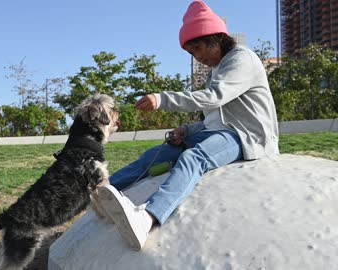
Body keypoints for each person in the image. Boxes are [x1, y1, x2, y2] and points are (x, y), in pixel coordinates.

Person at [97, 0, 280, 251]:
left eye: (198, 49)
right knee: (157, 154)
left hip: (245, 136)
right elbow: (214, 119)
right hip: (221, 132)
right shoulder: (216, 70)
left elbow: (214, 98)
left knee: (194, 158)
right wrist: (186, 131)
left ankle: (146, 219)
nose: (199, 57)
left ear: (216, 38)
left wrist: (162, 99)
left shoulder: (242, 59)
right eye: (192, 53)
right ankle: (101, 193)